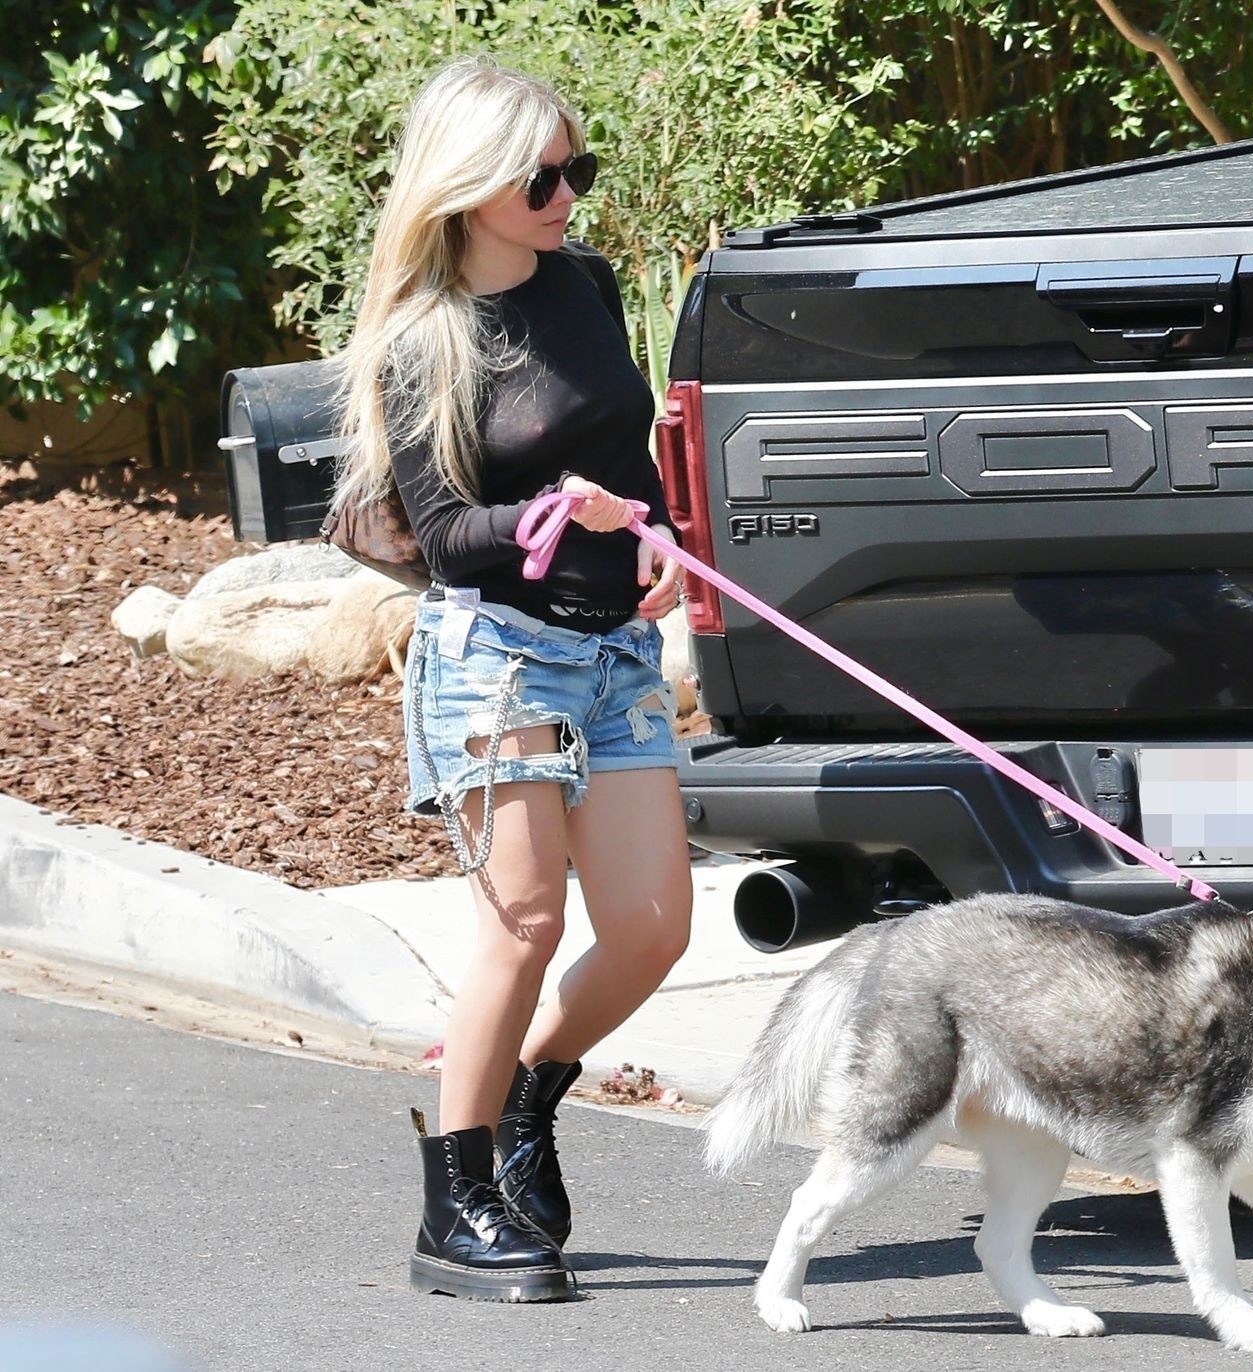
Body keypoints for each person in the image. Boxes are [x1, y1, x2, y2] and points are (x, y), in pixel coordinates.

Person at [330, 56, 693, 1302]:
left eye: (574, 169)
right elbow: (443, 538)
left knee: (651, 929)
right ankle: (456, 1202)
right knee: (526, 921)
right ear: (470, 183)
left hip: (616, 649)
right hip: (496, 654)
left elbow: (630, 458)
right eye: (541, 178)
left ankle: (526, 1094)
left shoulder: (584, 284)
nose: (566, 194)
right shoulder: (423, 339)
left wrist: (658, 537)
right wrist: (550, 511)